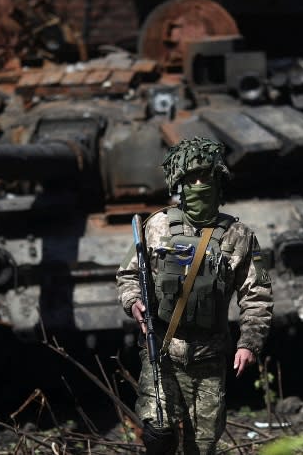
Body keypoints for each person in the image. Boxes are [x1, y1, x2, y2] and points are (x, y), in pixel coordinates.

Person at [116, 137, 273, 454]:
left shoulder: (239, 236)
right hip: (162, 351)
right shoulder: (156, 226)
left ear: (219, 181)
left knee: (201, 446)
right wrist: (134, 303)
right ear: (179, 184)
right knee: (158, 434)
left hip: (210, 357)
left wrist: (249, 342)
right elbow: (129, 274)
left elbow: (256, 294)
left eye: (206, 178)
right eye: (191, 179)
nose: (199, 185)